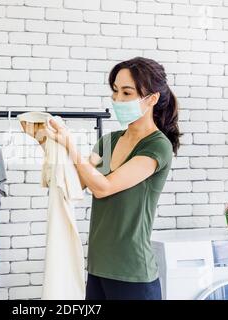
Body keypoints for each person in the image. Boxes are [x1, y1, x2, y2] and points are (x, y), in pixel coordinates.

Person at [43, 57, 181, 300]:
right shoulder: (109, 142)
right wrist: (49, 144)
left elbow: (104, 187)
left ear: (152, 98)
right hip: (98, 267)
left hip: (132, 273)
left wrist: (71, 146)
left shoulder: (157, 146)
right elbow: (76, 183)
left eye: (127, 92)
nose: (118, 99)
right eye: (115, 91)